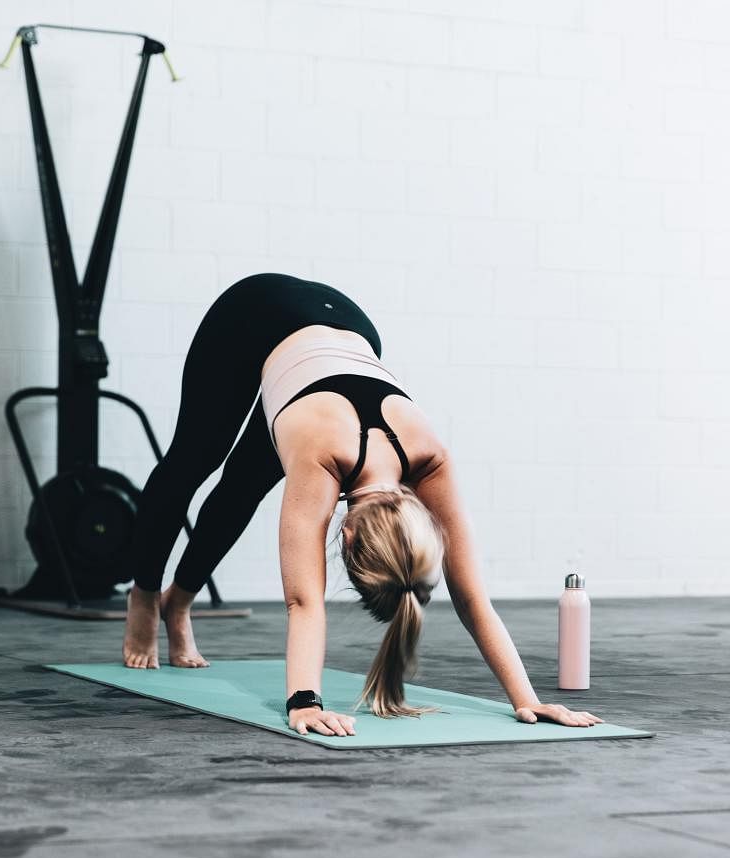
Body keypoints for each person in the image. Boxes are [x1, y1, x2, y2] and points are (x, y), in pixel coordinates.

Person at [123, 272, 603, 738]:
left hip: (347, 329)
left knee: (242, 489)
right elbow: (303, 601)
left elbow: (472, 596)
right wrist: (303, 703)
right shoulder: (328, 456)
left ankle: (178, 603)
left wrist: (527, 698)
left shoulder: (429, 457)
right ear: (347, 536)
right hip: (253, 315)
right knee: (195, 459)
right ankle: (144, 597)